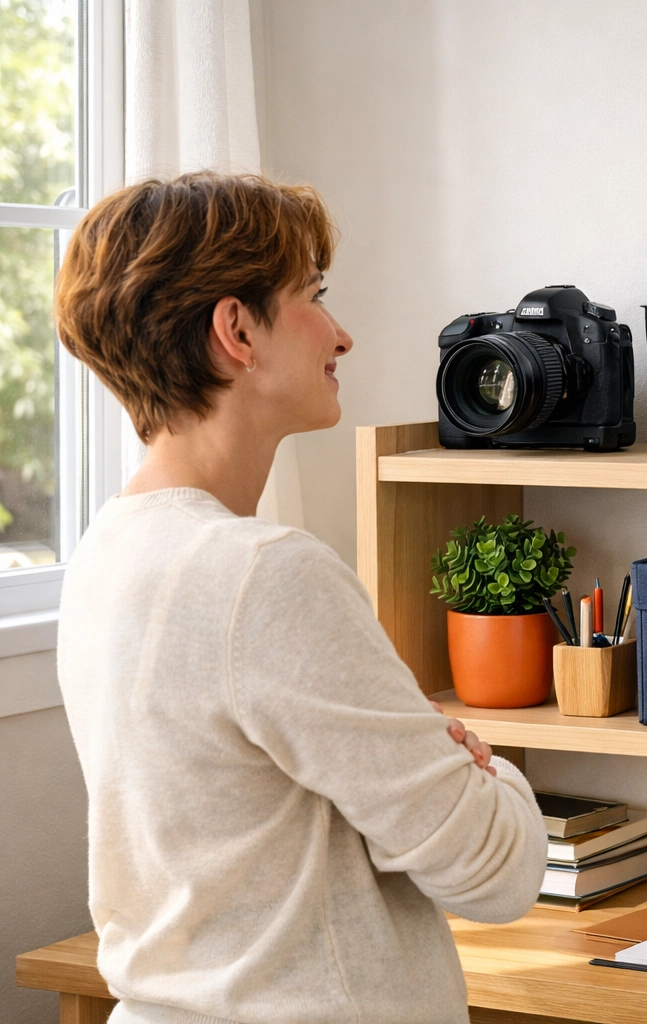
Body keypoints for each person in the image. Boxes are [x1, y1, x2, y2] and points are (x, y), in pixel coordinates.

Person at [51, 171, 546, 1024]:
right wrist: (485, 766)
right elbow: (496, 872)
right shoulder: (263, 574)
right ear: (237, 331)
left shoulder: (108, 552)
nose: (341, 334)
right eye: (313, 296)